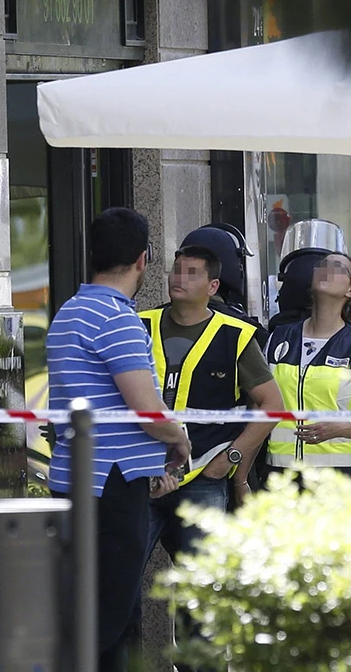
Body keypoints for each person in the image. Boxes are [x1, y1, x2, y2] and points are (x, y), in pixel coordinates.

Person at [45, 207, 189, 672]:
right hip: (109, 484)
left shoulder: (69, 312)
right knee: (107, 613)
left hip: (75, 476)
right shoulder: (117, 319)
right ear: (143, 260)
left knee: (99, 611)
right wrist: (178, 437)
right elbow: (147, 412)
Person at [135, 245, 284, 671]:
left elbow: (271, 407)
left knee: (203, 592)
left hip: (202, 477)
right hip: (144, 474)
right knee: (120, 579)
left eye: (192, 272)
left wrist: (233, 457)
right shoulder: (140, 324)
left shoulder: (235, 335)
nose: (178, 278)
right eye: (176, 270)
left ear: (212, 285)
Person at [264, 252, 351, 473]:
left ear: (350, 290)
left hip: (341, 481)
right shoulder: (279, 339)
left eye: (338, 268)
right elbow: (260, 406)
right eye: (322, 265)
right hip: (282, 477)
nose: (326, 269)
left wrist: (339, 428)